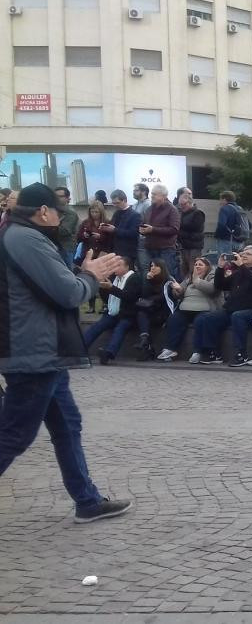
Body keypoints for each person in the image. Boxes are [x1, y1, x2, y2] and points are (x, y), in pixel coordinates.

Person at [0, 182, 132, 523]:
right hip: (33, 351)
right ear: (44, 211)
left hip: (43, 351)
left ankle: (87, 501)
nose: (61, 221)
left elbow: (53, 284)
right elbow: (68, 293)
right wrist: (90, 275)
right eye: (59, 214)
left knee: (67, 425)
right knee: (14, 434)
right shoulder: (25, 238)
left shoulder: (22, 235)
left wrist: (81, 274)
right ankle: (87, 501)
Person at [191, 246, 252, 365]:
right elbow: (220, 285)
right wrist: (220, 268)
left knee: (238, 316)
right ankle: (214, 352)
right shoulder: (239, 273)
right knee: (206, 318)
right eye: (243, 253)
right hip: (232, 310)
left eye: (248, 254)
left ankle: (241, 354)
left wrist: (242, 266)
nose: (243, 255)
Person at [156, 256, 221, 363]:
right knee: (174, 318)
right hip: (185, 309)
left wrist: (197, 281)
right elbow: (179, 293)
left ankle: (197, 351)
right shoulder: (188, 278)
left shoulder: (212, 276)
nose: (197, 266)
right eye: (196, 265)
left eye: (200, 264)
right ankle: (170, 348)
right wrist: (177, 290)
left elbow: (212, 289)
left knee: (200, 321)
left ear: (208, 267)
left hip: (205, 309)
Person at [81, 255, 142, 365]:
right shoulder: (115, 279)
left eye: (119, 265)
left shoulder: (134, 278)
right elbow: (107, 299)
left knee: (120, 329)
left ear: (127, 267)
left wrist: (111, 288)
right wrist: (102, 288)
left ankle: (109, 353)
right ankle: (80, 348)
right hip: (113, 312)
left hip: (128, 314)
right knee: (97, 326)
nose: (116, 268)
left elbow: (129, 297)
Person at [132, 258, 175, 361]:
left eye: (156, 266)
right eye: (151, 266)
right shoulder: (148, 279)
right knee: (141, 313)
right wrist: (147, 281)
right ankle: (145, 341)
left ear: (162, 268)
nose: (153, 268)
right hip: (150, 310)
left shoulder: (169, 280)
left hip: (163, 312)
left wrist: (150, 300)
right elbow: (143, 296)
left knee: (144, 314)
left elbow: (164, 297)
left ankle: (146, 346)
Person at [139, 185, 180, 277]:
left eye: (155, 194)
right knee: (154, 276)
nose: (151, 196)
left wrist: (153, 229)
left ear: (164, 196)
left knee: (167, 275)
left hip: (166, 250)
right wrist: (142, 230)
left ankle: (169, 291)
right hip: (150, 248)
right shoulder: (149, 209)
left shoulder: (172, 210)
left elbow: (174, 229)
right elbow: (144, 223)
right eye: (151, 194)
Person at [102, 189, 141, 260]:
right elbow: (112, 228)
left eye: (117, 203)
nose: (115, 205)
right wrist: (105, 227)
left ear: (124, 200)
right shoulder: (116, 213)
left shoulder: (135, 215)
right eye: (113, 203)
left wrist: (114, 230)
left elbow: (133, 233)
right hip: (114, 251)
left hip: (127, 253)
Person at [177, 193, 205, 280]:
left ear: (190, 202)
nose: (182, 207)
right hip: (184, 246)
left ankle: (194, 290)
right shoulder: (181, 214)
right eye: (180, 205)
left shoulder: (198, 213)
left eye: (184, 204)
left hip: (194, 247)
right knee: (184, 271)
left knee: (194, 270)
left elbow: (195, 228)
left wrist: (180, 230)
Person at [53, 187, 80, 265]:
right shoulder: (53, 211)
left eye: (60, 196)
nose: (57, 199)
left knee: (67, 271)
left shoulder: (70, 213)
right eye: (55, 196)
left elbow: (65, 231)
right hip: (54, 247)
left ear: (67, 198)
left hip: (66, 248)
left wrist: (48, 227)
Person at [214, 191, 244, 255]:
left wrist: (217, 236)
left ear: (224, 199)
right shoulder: (240, 209)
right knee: (236, 262)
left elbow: (221, 225)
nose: (220, 202)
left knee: (225, 262)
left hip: (226, 240)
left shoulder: (224, 208)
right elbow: (249, 225)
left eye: (220, 200)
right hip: (240, 242)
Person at [130, 184, 151, 271]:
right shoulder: (134, 205)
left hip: (143, 239)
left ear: (144, 192)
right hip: (134, 238)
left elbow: (148, 222)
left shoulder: (148, 204)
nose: (133, 192)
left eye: (136, 190)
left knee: (144, 265)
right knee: (137, 266)